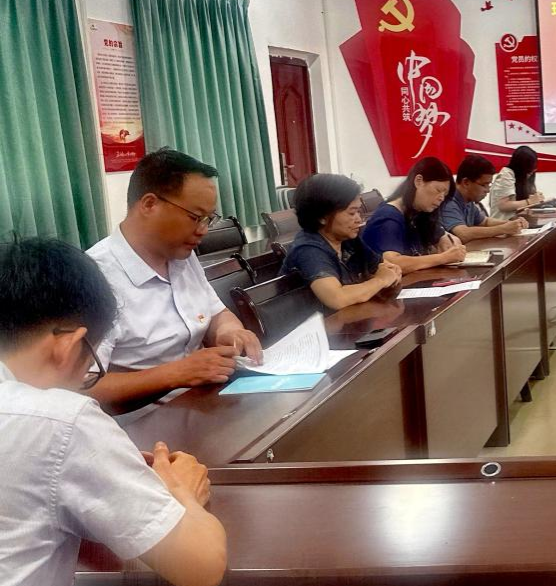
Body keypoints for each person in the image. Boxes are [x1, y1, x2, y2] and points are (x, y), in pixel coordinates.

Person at [0, 236, 227, 586]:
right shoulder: (57, 419)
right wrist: (180, 493)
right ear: (69, 344)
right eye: (91, 370)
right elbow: (201, 565)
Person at [87, 149, 263, 410]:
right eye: (195, 217)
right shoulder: (95, 279)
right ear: (149, 204)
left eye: (208, 219)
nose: (203, 230)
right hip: (142, 422)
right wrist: (177, 373)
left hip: (203, 403)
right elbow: (82, 389)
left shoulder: (181, 255)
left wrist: (229, 332)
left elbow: (216, 313)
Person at [281, 173, 403, 311]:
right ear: (322, 217)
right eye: (352, 213)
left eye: (359, 212)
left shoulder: (348, 239)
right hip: (320, 323)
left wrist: (391, 271)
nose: (359, 220)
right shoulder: (308, 250)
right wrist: (381, 280)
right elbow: (337, 298)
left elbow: (382, 267)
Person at [360, 157, 468, 273]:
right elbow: (392, 263)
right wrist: (443, 258)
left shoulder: (419, 212)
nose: (441, 198)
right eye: (438, 190)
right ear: (418, 181)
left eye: (445, 194)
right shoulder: (388, 217)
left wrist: (445, 237)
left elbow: (441, 235)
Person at [438, 154, 529, 242]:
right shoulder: (449, 202)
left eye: (489, 185)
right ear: (466, 182)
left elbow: (485, 221)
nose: (488, 190)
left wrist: (512, 224)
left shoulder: (468, 200)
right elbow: (463, 233)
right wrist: (503, 229)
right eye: (484, 185)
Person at [487, 145, 545, 221]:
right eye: (529, 171)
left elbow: (528, 197)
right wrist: (529, 201)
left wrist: (537, 198)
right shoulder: (506, 175)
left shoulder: (521, 177)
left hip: (518, 221)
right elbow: (503, 205)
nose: (530, 174)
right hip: (502, 223)